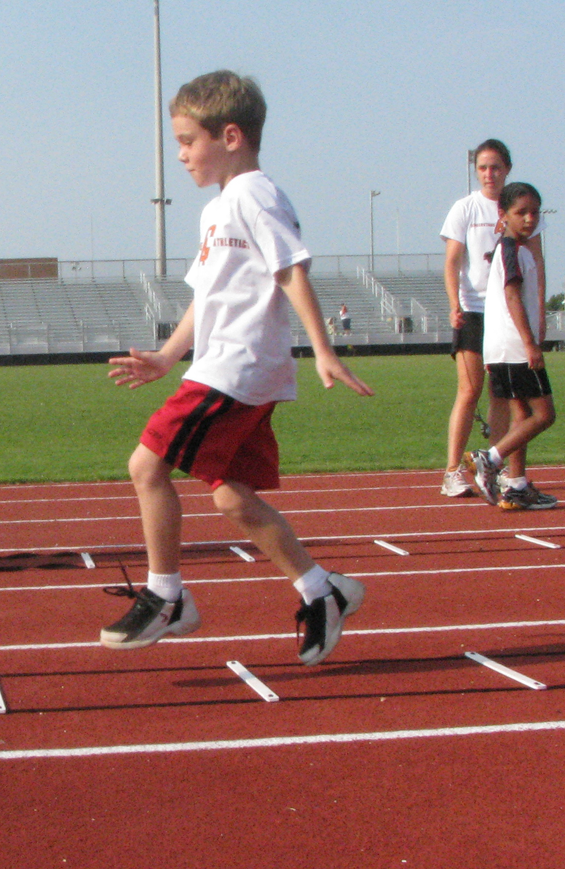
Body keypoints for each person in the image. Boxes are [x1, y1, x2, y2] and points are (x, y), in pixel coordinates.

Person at [103, 71, 375, 663]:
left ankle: (167, 596)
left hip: (238, 369)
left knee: (146, 465)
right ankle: (321, 590)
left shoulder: (255, 193)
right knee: (233, 498)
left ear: (229, 136)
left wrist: (323, 348)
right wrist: (166, 356)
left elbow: (290, 269)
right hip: (227, 368)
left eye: (186, 141)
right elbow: (209, 297)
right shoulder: (218, 209)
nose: (180, 155)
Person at [439, 141, 553, 504]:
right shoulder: (466, 208)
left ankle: (498, 467)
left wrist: (541, 313)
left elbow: (538, 263)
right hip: (475, 307)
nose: (490, 174)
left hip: (507, 313)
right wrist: (454, 303)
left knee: (503, 398)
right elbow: (452, 261)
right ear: (476, 170)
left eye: (496, 167)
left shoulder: (523, 205)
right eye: (483, 167)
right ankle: (455, 469)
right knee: (469, 391)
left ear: (507, 168)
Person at [469, 183, 557, 510]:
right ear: (503, 215)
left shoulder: (512, 249)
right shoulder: (512, 250)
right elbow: (512, 296)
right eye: (521, 213)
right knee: (544, 415)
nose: (530, 219)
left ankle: (517, 487)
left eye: (535, 212)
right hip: (515, 347)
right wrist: (530, 342)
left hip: (500, 348)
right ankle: (488, 459)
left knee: (521, 415)